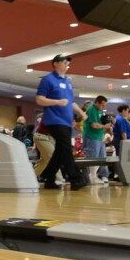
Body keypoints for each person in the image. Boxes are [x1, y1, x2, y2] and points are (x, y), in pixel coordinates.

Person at [35, 54, 87, 191]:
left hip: (66, 121)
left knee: (60, 151)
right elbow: (39, 99)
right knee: (66, 149)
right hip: (54, 120)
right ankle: (76, 178)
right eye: (64, 62)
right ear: (55, 64)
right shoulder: (48, 80)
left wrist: (81, 112)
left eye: (68, 62)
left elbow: (71, 102)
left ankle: (49, 177)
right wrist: (57, 102)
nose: (67, 64)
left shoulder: (68, 82)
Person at [82, 95, 110, 184]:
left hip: (99, 137)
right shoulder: (91, 110)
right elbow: (94, 125)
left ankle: (98, 176)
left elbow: (100, 122)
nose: (103, 107)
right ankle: (91, 177)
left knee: (101, 158)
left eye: (105, 106)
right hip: (91, 137)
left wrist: (106, 124)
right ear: (97, 102)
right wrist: (104, 126)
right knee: (92, 158)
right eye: (102, 105)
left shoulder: (100, 110)